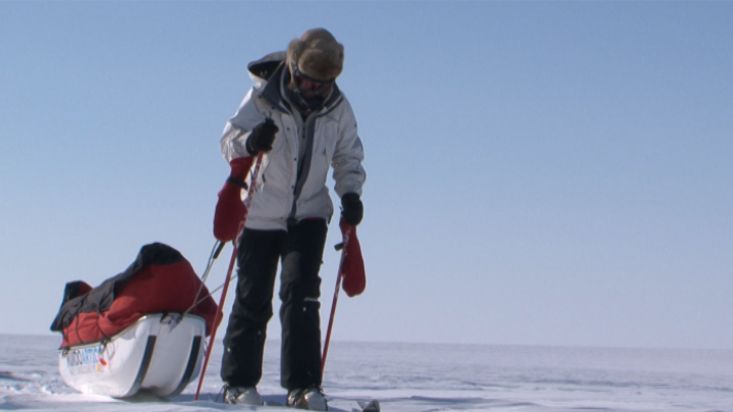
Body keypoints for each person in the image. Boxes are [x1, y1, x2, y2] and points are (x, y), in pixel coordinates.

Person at [213, 28, 366, 410]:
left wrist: (350, 194)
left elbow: (349, 157)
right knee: (252, 297)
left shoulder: (338, 108)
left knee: (302, 297)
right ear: (293, 69)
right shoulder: (263, 98)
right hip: (260, 212)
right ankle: (238, 384)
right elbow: (229, 140)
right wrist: (250, 142)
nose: (313, 91)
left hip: (310, 213)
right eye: (306, 82)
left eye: (322, 85)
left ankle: (303, 387)